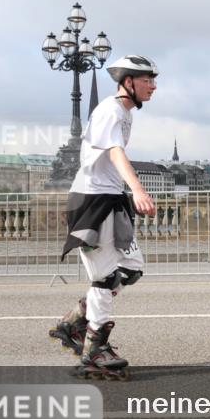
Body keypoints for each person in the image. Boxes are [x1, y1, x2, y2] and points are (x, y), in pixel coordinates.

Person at [48, 55, 159, 380]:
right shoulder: (111, 110)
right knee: (105, 277)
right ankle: (95, 349)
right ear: (128, 82)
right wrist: (137, 189)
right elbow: (114, 152)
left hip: (110, 199)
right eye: (146, 80)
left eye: (153, 80)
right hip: (92, 200)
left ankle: (74, 324)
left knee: (131, 268)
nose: (153, 86)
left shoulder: (125, 113)